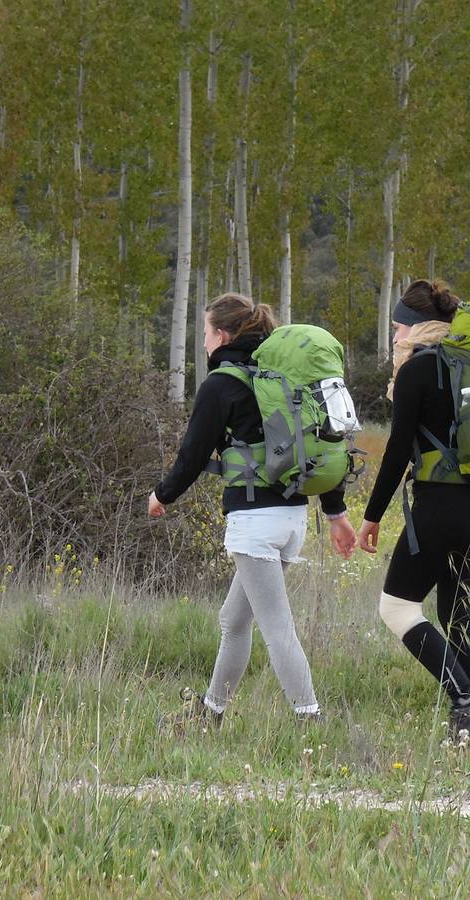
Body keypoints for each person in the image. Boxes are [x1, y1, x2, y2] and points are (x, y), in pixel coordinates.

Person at [150, 292, 357, 730]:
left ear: (221, 335)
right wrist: (336, 513)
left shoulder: (221, 384)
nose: (204, 343)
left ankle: (310, 719)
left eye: (205, 334)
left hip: (253, 521)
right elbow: (318, 442)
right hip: (291, 517)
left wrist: (162, 496)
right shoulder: (277, 378)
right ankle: (211, 714)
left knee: (277, 627)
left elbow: (192, 454)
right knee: (234, 619)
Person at [355, 279, 470, 750]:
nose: (392, 337)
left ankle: (469, 698)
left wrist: (372, 516)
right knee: (460, 617)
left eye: (395, 328)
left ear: (414, 327)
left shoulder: (417, 371)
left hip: (439, 507)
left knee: (397, 607)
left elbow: (398, 451)